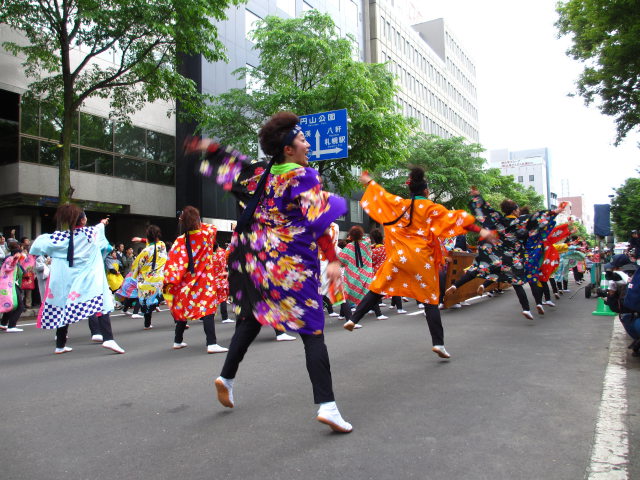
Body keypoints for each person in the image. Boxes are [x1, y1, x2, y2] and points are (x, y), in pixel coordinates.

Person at [185, 111, 352, 433]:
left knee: (250, 319)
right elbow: (318, 222)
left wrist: (207, 147)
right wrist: (331, 259)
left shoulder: (260, 174)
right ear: (288, 148)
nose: (307, 146)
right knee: (313, 331)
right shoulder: (302, 176)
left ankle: (227, 377)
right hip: (291, 266)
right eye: (303, 140)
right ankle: (328, 407)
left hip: (255, 266)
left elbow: (231, 166)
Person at [344, 168, 491, 360]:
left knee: (378, 287)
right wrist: (481, 231)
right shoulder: (430, 208)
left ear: (410, 189)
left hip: (399, 257)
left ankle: (353, 319)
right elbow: (456, 219)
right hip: (421, 259)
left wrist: (369, 182)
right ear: (426, 191)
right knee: (430, 300)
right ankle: (438, 344)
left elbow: (382, 196)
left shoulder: (400, 204)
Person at [29, 205, 125, 354]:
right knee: (101, 303)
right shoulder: (90, 232)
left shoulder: (60, 237)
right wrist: (103, 222)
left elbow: (38, 245)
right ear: (83, 219)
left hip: (67, 279)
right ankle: (108, 339)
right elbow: (101, 233)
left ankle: (60, 345)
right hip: (87, 278)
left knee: (63, 305)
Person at [164, 206, 228, 353]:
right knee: (207, 310)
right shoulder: (206, 233)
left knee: (182, 309)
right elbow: (211, 227)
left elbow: (174, 263)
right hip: (204, 281)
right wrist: (196, 223)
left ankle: (177, 340)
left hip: (186, 282)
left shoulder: (179, 241)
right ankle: (211, 343)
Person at [339, 225, 386, 321]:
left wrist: (350, 240)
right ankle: (379, 314)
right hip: (366, 275)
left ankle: (342, 314)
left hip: (352, 277)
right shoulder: (366, 243)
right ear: (361, 235)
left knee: (345, 296)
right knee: (370, 294)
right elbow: (366, 237)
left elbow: (340, 261)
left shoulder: (348, 248)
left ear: (350, 236)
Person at [127, 225, 167, 330]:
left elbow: (136, 265)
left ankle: (147, 323)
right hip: (159, 279)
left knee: (145, 300)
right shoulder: (162, 245)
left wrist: (136, 273)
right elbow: (154, 243)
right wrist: (141, 239)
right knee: (160, 298)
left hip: (146, 280)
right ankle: (179, 321)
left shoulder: (145, 251)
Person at [0, 239, 26, 332]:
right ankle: (11, 326)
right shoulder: (10, 259)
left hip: (10, 284)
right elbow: (9, 267)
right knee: (19, 305)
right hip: (9, 285)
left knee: (12, 304)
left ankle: (3, 324)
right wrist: (15, 258)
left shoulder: (10, 258)